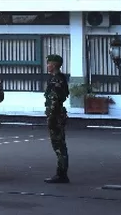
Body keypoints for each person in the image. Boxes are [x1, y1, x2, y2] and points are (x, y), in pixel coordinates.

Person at [44, 54, 70, 183]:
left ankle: (61, 174)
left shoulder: (56, 80)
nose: (47, 65)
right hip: (58, 114)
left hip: (56, 115)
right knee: (60, 145)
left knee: (59, 145)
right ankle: (61, 173)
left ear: (54, 65)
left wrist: (51, 117)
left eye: (49, 63)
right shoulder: (59, 78)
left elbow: (54, 100)